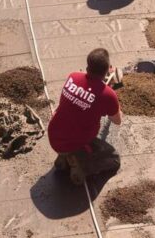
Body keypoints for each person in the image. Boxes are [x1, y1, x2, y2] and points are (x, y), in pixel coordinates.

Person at [48, 48, 122, 185]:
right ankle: (80, 165)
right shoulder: (108, 95)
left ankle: (64, 157)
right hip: (75, 141)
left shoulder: (73, 76)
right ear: (107, 70)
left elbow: (87, 89)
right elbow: (117, 120)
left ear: (87, 66)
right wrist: (114, 99)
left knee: (73, 123)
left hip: (54, 135)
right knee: (114, 159)